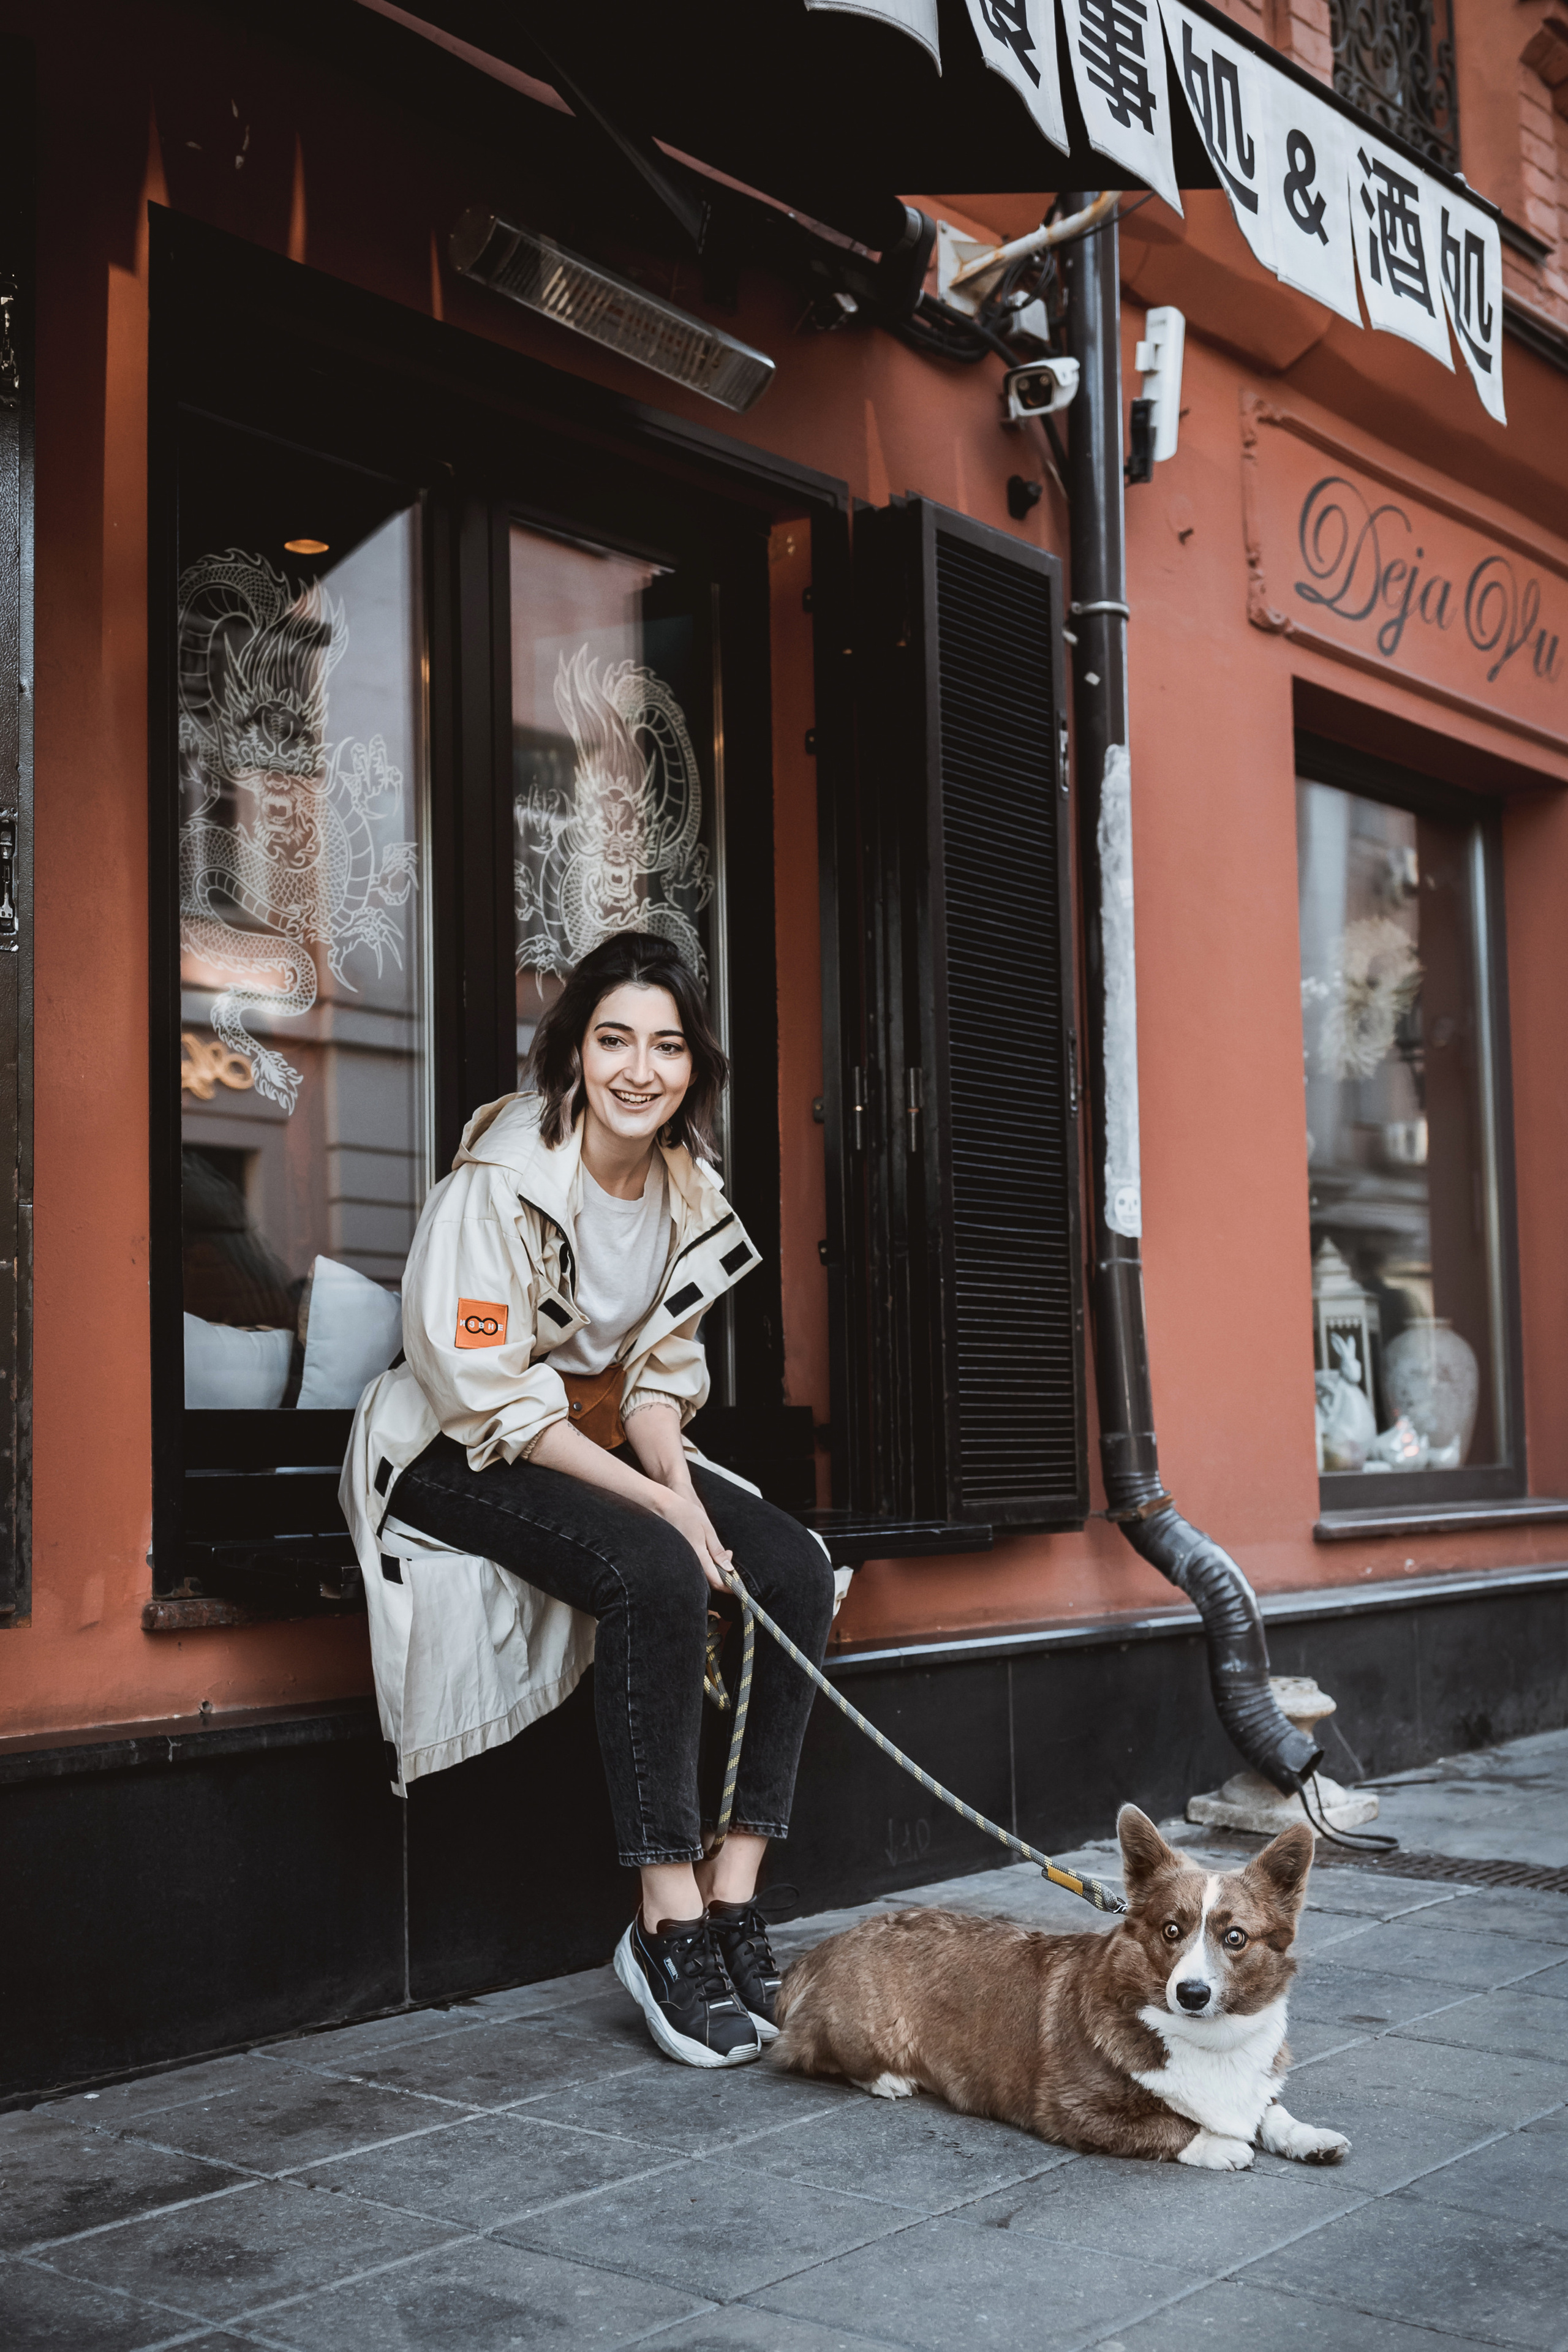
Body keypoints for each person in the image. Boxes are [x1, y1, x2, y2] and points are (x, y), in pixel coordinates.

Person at [379, 930, 835, 2068]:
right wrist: (668, 1518)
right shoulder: (501, 1182)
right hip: (459, 1444)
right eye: (615, 1039)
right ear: (574, 1054)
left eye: (668, 1046)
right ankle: (664, 1919)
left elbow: (656, 1385)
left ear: (695, 1067)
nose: (642, 1069)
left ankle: (733, 1895)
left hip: (597, 1438)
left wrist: (677, 1487)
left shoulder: (687, 1190)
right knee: (656, 1568)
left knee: (794, 1568)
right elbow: (490, 1398)